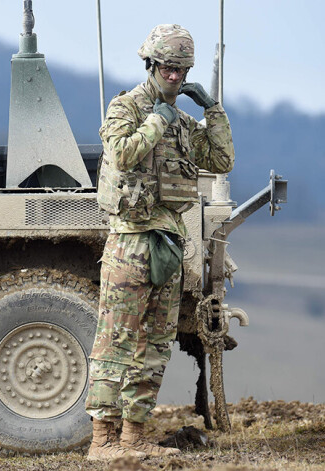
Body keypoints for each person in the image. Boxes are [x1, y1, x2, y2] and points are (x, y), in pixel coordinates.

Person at [85, 24, 234, 461]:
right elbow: (122, 154)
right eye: (168, 67)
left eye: (181, 69)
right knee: (117, 342)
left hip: (168, 243)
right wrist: (155, 121)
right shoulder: (126, 108)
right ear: (151, 64)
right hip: (131, 243)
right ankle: (102, 442)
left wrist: (214, 111)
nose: (174, 76)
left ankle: (134, 436)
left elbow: (221, 159)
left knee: (155, 343)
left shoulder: (184, 122)